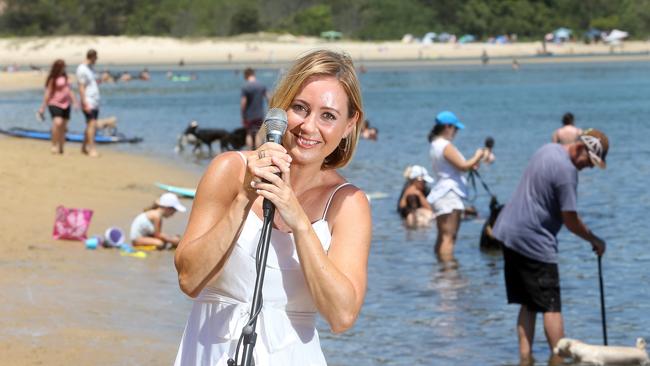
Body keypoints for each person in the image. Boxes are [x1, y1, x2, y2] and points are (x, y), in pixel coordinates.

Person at [174, 50, 372, 365]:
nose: (309, 126)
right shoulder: (230, 169)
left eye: (328, 116)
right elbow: (189, 279)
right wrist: (243, 197)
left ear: (350, 124)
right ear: (279, 110)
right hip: (209, 352)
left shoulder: (348, 203)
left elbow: (342, 316)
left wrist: (300, 223)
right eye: (300, 108)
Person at [492, 129, 609, 364]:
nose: (590, 167)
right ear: (581, 148)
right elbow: (570, 220)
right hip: (534, 241)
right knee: (551, 306)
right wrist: (595, 240)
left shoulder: (547, 149)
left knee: (529, 304)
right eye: (591, 161)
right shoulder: (567, 172)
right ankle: (560, 360)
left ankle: (525, 359)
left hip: (509, 234)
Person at [426, 111, 486, 261]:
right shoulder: (445, 145)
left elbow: (457, 167)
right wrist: (478, 155)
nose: (456, 132)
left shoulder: (435, 144)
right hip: (449, 194)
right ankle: (449, 275)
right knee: (449, 237)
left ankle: (440, 271)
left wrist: (471, 165)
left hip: (441, 192)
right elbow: (463, 166)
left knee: (442, 236)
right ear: (447, 126)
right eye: (455, 128)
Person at [38, 59, 78, 154]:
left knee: (64, 127)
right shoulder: (53, 78)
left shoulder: (66, 77)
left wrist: (75, 102)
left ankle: (61, 148)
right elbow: (48, 92)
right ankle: (53, 145)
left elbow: (70, 91)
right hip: (54, 103)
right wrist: (43, 107)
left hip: (66, 104)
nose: (64, 68)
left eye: (65, 66)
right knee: (58, 123)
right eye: (63, 66)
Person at [76, 49, 101, 157]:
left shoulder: (91, 69)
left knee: (90, 125)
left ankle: (83, 147)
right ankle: (92, 149)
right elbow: (81, 87)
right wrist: (84, 102)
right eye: (96, 57)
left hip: (95, 100)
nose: (97, 60)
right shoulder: (82, 69)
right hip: (88, 100)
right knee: (92, 124)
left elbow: (92, 83)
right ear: (92, 57)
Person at [240, 67, 268, 149]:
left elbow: (243, 102)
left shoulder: (245, 87)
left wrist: (243, 114)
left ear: (246, 75)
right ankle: (258, 151)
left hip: (249, 115)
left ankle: (249, 152)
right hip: (259, 114)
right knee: (258, 133)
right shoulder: (261, 85)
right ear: (253, 74)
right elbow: (268, 97)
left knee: (249, 133)